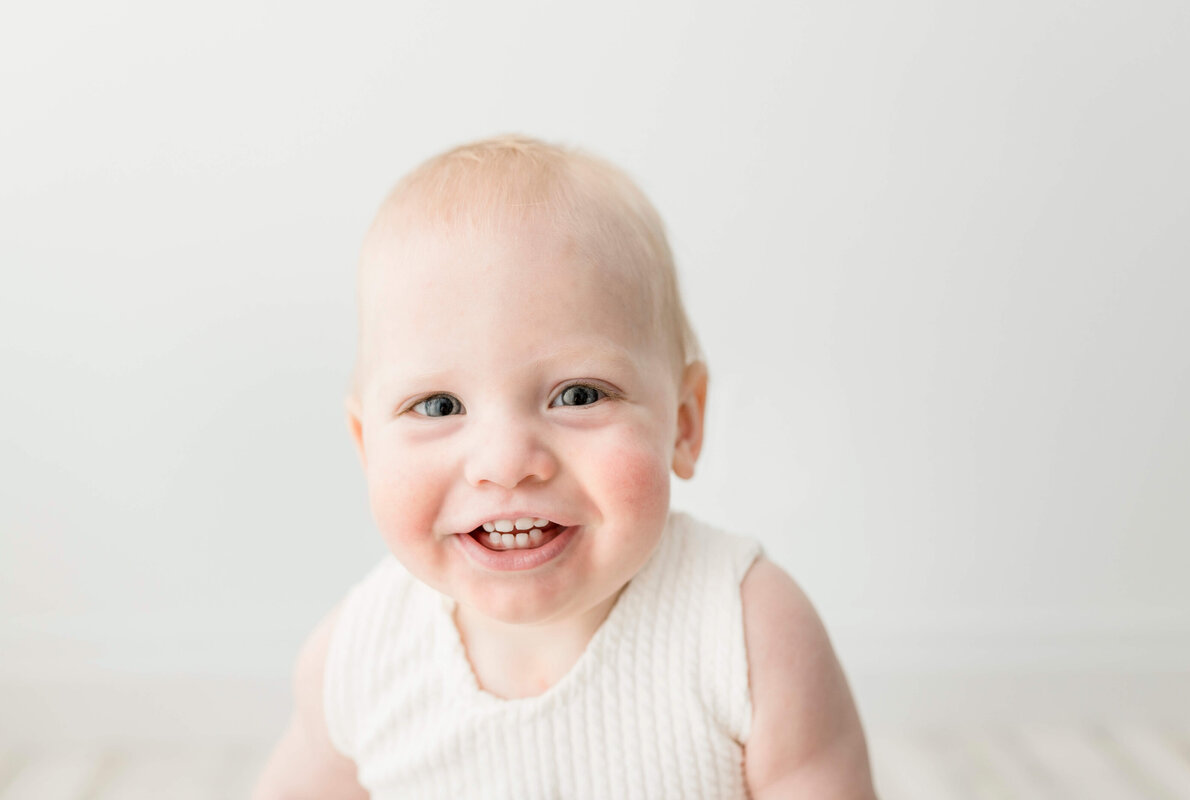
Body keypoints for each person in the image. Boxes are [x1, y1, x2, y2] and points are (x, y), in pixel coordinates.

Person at [252, 135, 876, 799]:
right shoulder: (359, 658)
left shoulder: (745, 632)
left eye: (577, 395)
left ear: (685, 425)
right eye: (437, 405)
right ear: (365, 444)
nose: (505, 463)